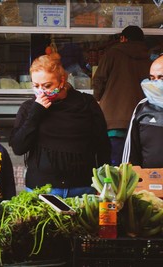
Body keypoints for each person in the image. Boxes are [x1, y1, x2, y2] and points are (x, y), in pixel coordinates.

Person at [9, 53, 111, 198]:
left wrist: (103, 183)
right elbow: (19, 147)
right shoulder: (29, 108)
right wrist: (36, 113)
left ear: (62, 80)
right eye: (36, 86)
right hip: (42, 189)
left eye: (47, 85)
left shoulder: (86, 103)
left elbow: (102, 145)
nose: (41, 90)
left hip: (82, 188)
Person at [92, 25, 151, 166]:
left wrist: (97, 98)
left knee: (113, 163)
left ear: (123, 38)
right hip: (141, 117)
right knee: (135, 163)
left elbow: (99, 80)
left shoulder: (112, 54)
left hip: (114, 119)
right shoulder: (149, 58)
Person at [123, 55, 163, 168]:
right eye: (152, 78)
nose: (156, 83)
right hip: (149, 181)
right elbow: (131, 150)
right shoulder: (143, 107)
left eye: (161, 78)